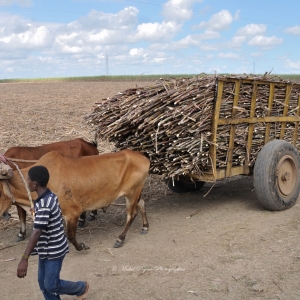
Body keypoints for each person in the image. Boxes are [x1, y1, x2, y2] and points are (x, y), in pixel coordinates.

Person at [17, 165, 89, 300]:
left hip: (54, 250)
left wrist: (24, 259)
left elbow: (37, 232)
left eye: (28, 180)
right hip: (46, 249)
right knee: (43, 283)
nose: (27, 183)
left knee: (51, 285)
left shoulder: (44, 203)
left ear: (35, 183)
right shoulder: (48, 195)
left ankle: (81, 287)